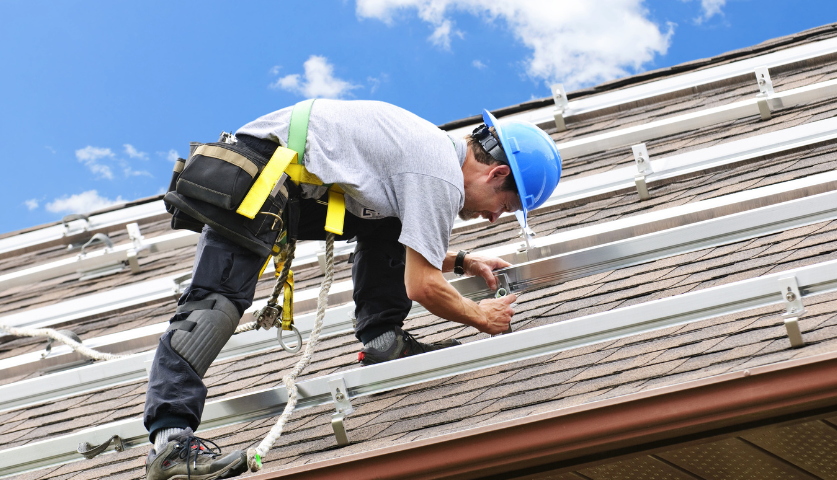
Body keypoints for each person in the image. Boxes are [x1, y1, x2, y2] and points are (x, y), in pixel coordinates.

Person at [142, 100, 562, 480]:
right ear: (497, 173)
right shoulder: (440, 174)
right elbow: (423, 286)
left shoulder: (431, 157)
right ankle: (171, 444)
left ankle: (384, 339)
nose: (492, 218)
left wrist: (460, 260)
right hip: (261, 175)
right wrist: (483, 317)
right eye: (504, 206)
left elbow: (407, 237)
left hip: (288, 181)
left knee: (391, 221)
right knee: (214, 307)